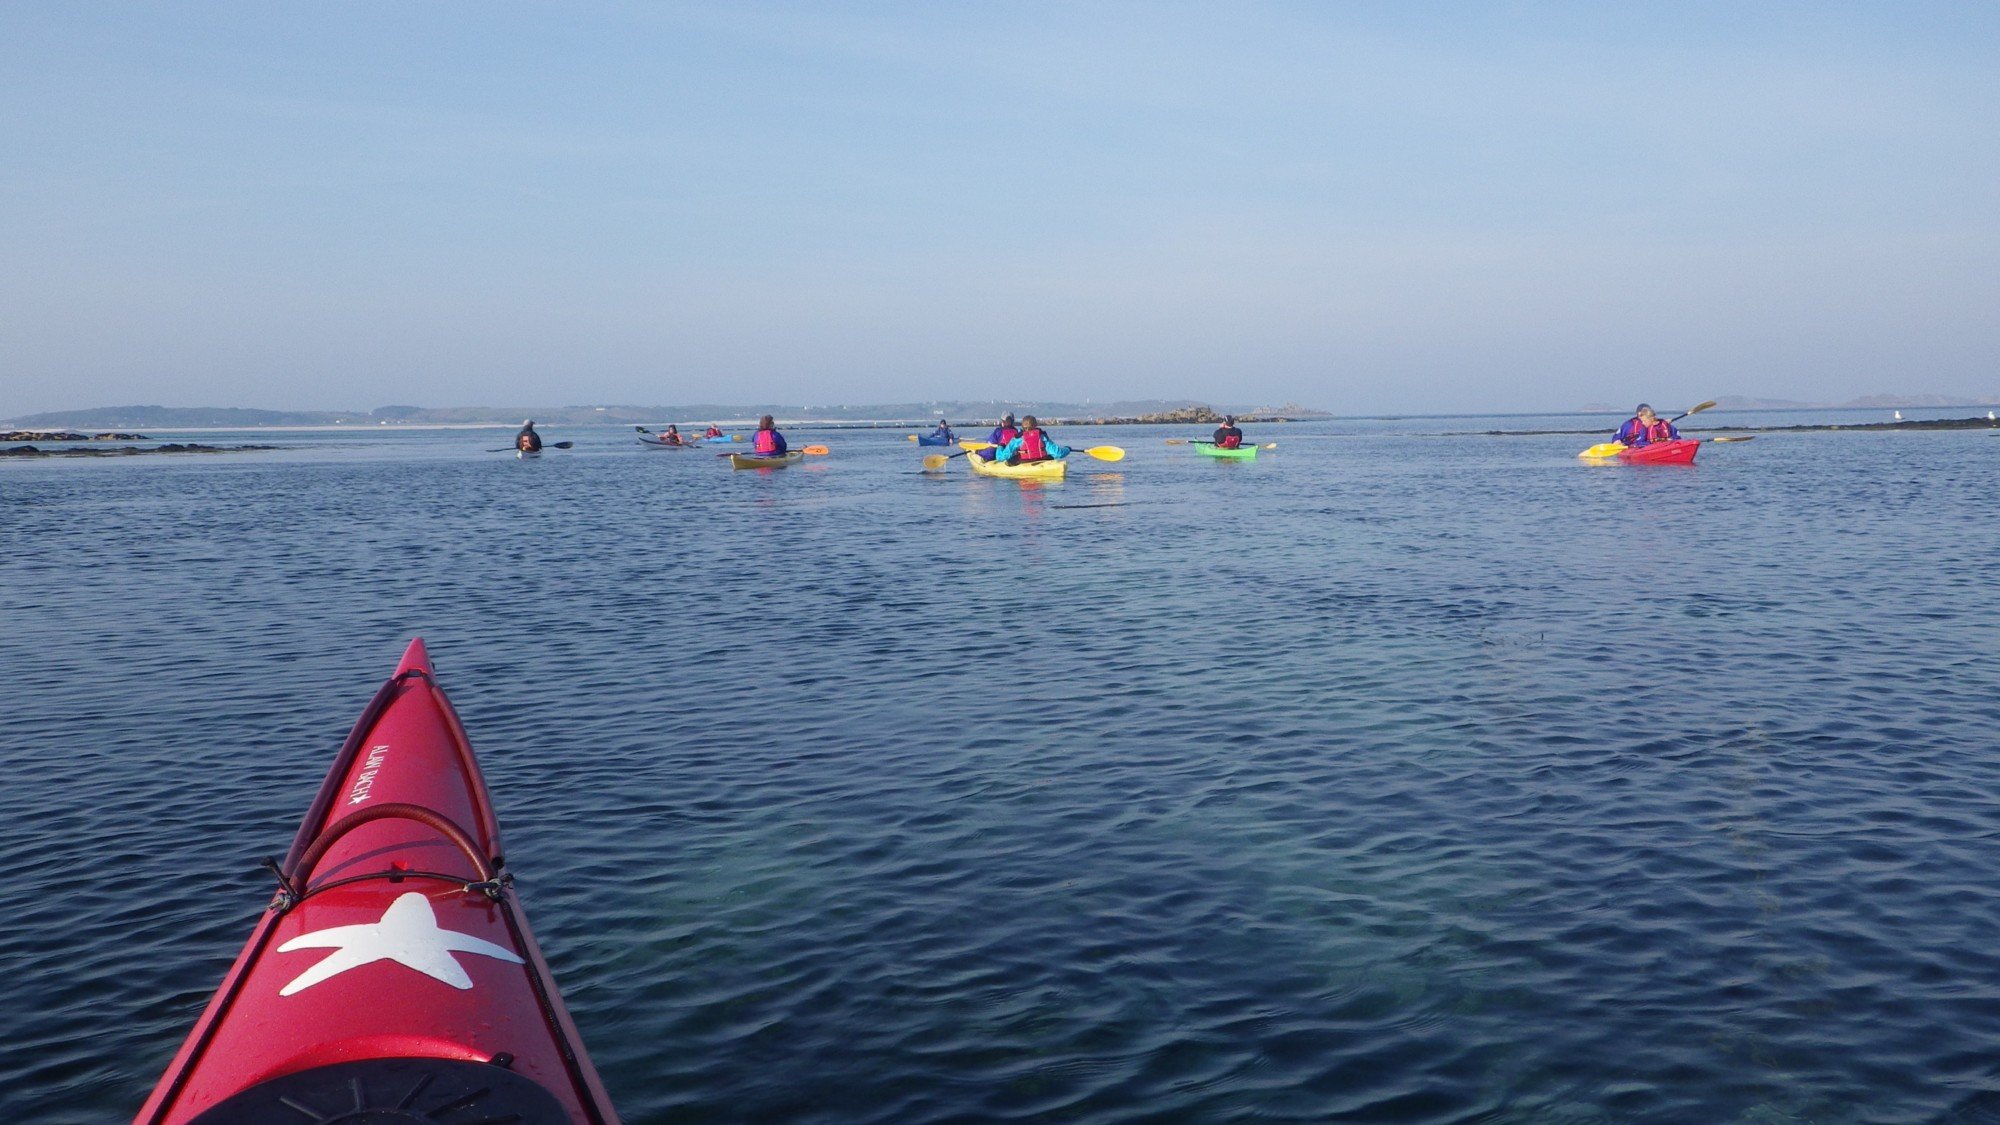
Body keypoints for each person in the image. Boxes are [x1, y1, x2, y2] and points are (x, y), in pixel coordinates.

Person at [986, 415, 1070, 464]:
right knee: (1051, 456)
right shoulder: (1042, 437)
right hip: (1041, 461)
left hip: (1024, 462)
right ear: (1035, 425)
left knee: (1010, 460)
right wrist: (1067, 449)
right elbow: (1058, 453)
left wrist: (1000, 446)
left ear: (1022, 426)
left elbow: (1001, 457)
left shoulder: (1018, 439)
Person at [1614, 404, 1678, 447]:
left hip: (1664, 446)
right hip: (1646, 447)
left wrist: (1671, 440)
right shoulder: (1629, 424)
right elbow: (1639, 442)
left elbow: (1677, 436)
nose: (1642, 422)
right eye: (1640, 414)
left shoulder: (1664, 424)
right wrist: (1617, 441)